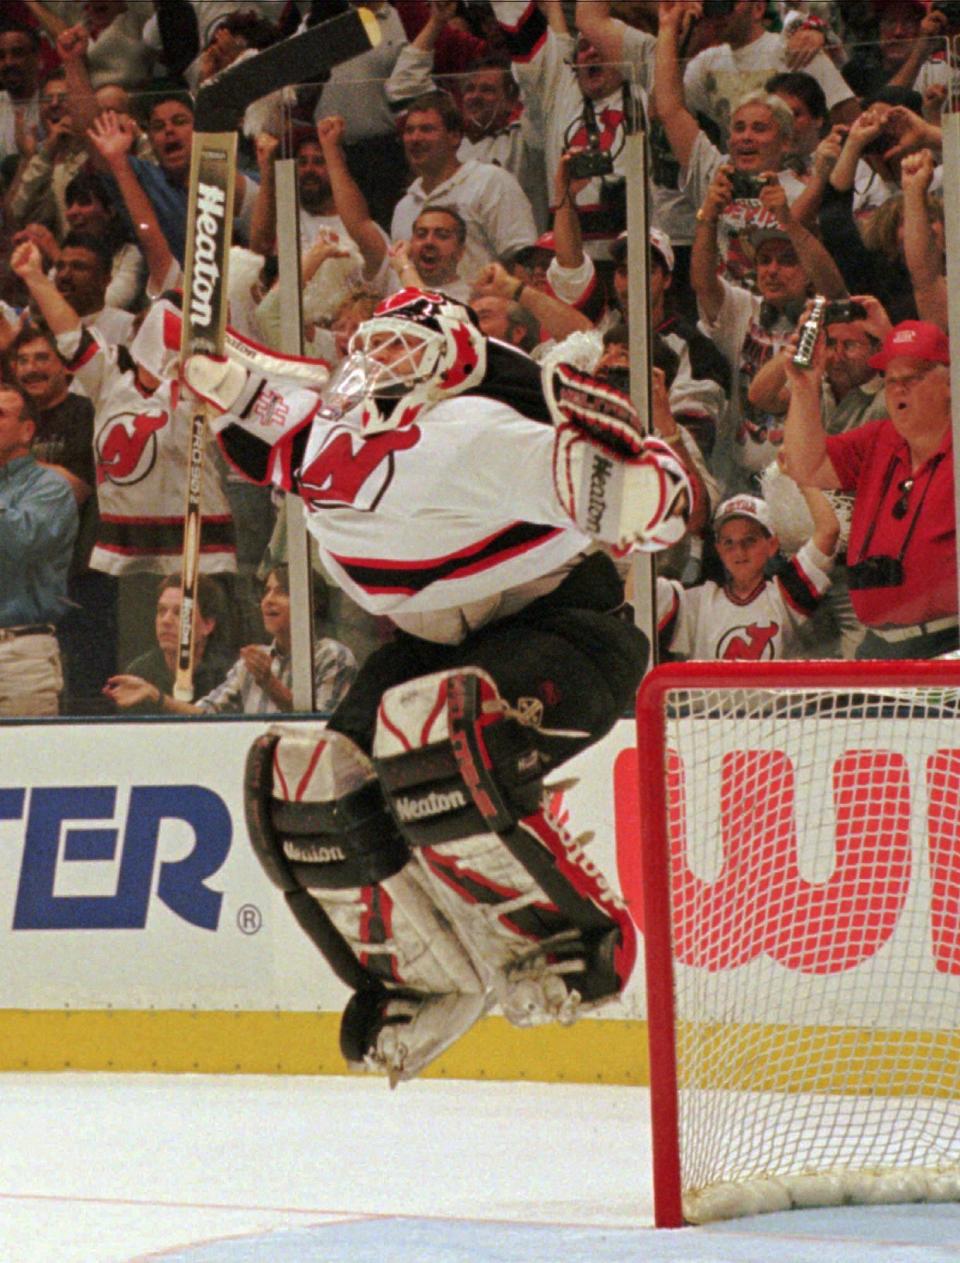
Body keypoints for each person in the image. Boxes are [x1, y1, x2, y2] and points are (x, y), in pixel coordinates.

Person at [184, 287, 692, 1083]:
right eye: (373, 346)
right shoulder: (329, 435)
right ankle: (418, 975)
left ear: (452, 364)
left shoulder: (483, 431)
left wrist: (641, 465)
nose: (380, 364)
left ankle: (583, 934)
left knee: (439, 742)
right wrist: (218, 374)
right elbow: (263, 425)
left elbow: (659, 511)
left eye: (404, 350)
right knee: (307, 792)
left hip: (566, 636)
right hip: (429, 649)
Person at [783, 319, 957, 659]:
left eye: (913, 377)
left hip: (948, 646)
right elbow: (806, 466)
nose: (898, 389)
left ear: (951, 381)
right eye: (890, 380)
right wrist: (804, 387)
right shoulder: (879, 439)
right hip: (879, 645)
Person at [106, 567, 356, 719]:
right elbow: (205, 715)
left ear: (311, 604)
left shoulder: (333, 655)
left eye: (282, 592)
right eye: (266, 592)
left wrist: (270, 684)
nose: (268, 600)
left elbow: (321, 726)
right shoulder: (253, 660)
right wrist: (155, 696)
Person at [657, 491, 837, 661]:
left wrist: (803, 476)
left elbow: (828, 530)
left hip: (775, 695)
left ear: (772, 545)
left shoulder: (785, 594)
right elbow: (641, 594)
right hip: (714, 696)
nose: (739, 551)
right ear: (718, 549)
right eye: (729, 542)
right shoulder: (699, 601)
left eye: (750, 540)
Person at [390, 90, 538, 282]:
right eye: (409, 131)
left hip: (484, 309)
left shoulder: (490, 182)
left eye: (427, 129)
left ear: (455, 137)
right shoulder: (404, 208)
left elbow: (524, 263)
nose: (415, 139)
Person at [0, 381, 78, 716]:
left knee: (27, 766)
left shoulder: (51, 488)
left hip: (20, 653)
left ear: (26, 430)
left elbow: (22, 541)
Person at [101, 572, 234, 715]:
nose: (166, 620)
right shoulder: (140, 672)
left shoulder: (227, 673)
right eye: (161, 611)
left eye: (179, 613)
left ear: (207, 624)